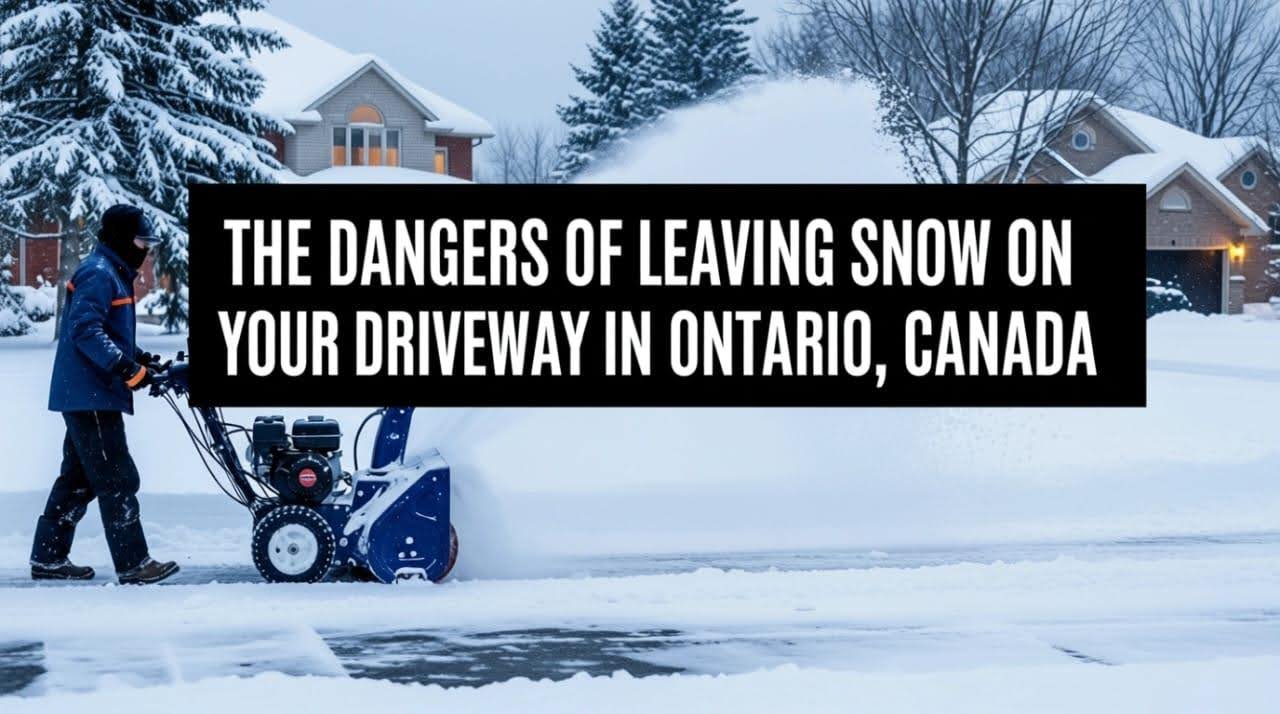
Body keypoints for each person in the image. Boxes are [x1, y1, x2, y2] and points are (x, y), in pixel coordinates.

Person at [30, 204, 180, 585]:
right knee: (117, 478)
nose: (146, 250)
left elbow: (107, 334)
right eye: (141, 241)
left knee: (77, 480)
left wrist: (140, 359)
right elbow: (85, 331)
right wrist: (124, 368)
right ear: (120, 238)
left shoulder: (110, 271)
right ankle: (134, 563)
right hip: (91, 393)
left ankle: (48, 559)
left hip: (85, 392)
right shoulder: (100, 274)